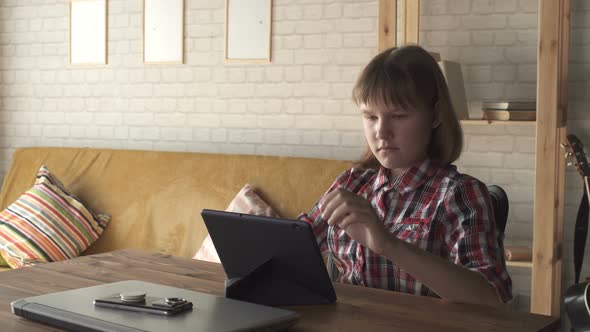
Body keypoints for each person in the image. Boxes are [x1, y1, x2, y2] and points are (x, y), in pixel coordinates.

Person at [299, 45, 512, 307]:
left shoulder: (460, 194)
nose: (381, 131)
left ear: (434, 116)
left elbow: (491, 297)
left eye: (398, 116)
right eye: (370, 116)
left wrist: (388, 244)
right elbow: (297, 244)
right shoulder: (352, 182)